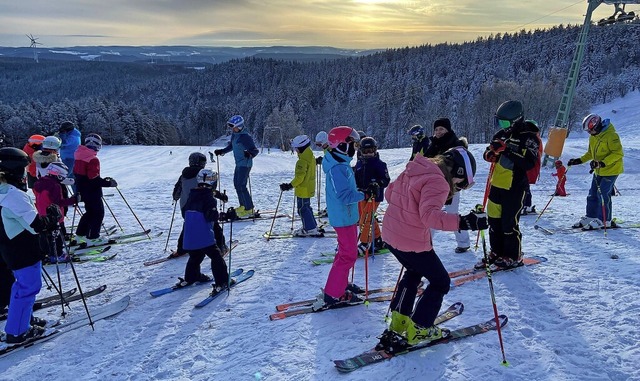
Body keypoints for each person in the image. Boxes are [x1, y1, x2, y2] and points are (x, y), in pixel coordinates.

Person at [381, 147, 485, 346]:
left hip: (390, 234)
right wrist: (465, 222)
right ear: (459, 172)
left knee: (413, 272)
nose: (457, 188)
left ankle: (399, 320)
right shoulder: (438, 181)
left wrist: (406, 211)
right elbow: (430, 217)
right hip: (411, 241)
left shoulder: (416, 167)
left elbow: (389, 194)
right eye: (460, 184)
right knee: (440, 282)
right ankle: (420, 328)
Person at [0, 147, 62, 344]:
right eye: (25, 169)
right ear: (16, 171)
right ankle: (17, 331)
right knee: (27, 286)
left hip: (8, 246)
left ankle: (22, 318)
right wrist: (52, 220)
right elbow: (35, 225)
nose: (27, 174)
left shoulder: (4, 192)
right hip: (21, 248)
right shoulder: (12, 195)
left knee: (19, 285)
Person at [479, 101, 541, 269]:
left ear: (516, 120)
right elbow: (487, 152)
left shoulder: (529, 137)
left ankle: (513, 256)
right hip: (497, 184)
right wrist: (491, 154)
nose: (502, 126)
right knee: (493, 222)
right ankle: (497, 252)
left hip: (515, 187)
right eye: (498, 122)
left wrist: (506, 151)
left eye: (505, 123)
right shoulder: (501, 134)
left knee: (509, 224)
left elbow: (529, 163)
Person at [312, 126, 364, 310]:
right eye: (350, 144)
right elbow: (344, 196)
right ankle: (334, 293)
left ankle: (339, 283)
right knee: (348, 255)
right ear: (340, 146)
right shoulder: (337, 168)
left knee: (344, 253)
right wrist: (363, 194)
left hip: (346, 217)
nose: (354, 148)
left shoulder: (339, 164)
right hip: (344, 218)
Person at [423, 117, 472, 253]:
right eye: (436, 129)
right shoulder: (434, 144)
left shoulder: (456, 144)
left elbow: (464, 167)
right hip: (434, 186)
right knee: (431, 213)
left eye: (441, 129)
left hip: (452, 187)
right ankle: (425, 243)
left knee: (451, 213)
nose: (438, 132)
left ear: (448, 129)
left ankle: (463, 243)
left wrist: (458, 179)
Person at [568, 114, 624, 230]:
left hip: (611, 170)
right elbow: (590, 153)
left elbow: (618, 153)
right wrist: (579, 160)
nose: (589, 133)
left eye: (590, 130)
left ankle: (605, 220)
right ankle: (591, 216)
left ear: (597, 126)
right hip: (598, 170)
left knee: (603, 194)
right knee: (592, 193)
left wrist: (602, 163)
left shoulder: (611, 135)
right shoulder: (593, 137)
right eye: (588, 131)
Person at [181, 168, 230, 293]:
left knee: (196, 256)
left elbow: (184, 212)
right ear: (213, 183)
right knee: (216, 257)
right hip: (204, 236)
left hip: (189, 236)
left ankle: (191, 277)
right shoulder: (209, 197)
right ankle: (222, 281)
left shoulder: (192, 195)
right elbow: (211, 217)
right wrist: (220, 215)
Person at [172, 152, 229, 257]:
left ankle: (181, 249)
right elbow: (210, 190)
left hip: (186, 208)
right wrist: (222, 196)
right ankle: (221, 247)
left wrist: (176, 198)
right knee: (214, 224)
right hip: (203, 207)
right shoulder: (203, 174)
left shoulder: (183, 176)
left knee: (188, 225)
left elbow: (176, 194)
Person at [73, 133, 117, 245]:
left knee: (89, 213)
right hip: (92, 192)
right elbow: (93, 179)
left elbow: (81, 175)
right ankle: (93, 238)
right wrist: (108, 183)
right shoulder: (92, 159)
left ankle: (80, 235)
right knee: (98, 213)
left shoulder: (79, 155)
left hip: (82, 190)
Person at [213, 115, 259, 219]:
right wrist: (222, 151)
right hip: (239, 164)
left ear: (240, 126)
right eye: (231, 127)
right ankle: (243, 206)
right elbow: (232, 146)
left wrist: (250, 154)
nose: (232, 129)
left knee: (241, 185)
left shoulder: (245, 137)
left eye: (234, 127)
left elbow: (255, 150)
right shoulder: (235, 135)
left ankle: (249, 209)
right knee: (237, 184)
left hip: (245, 164)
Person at [33, 162, 77, 263]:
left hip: (43, 214)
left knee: (48, 235)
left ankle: (49, 253)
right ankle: (58, 255)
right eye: (63, 176)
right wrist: (73, 200)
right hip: (54, 214)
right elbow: (58, 202)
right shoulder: (55, 185)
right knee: (58, 235)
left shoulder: (40, 182)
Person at [354, 136, 390, 253]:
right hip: (362, 195)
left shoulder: (380, 164)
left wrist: (377, 184)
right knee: (367, 217)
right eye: (365, 151)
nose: (369, 154)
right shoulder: (359, 163)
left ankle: (365, 243)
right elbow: (356, 177)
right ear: (361, 151)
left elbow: (386, 180)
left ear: (375, 150)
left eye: (371, 151)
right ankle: (377, 239)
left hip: (374, 196)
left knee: (366, 219)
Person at [280, 135, 320, 236]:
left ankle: (309, 229)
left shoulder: (301, 161)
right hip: (309, 188)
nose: (296, 151)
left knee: (302, 209)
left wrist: (289, 185)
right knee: (307, 207)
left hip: (303, 190)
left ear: (301, 148)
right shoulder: (310, 156)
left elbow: (299, 178)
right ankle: (313, 226)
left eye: (296, 148)